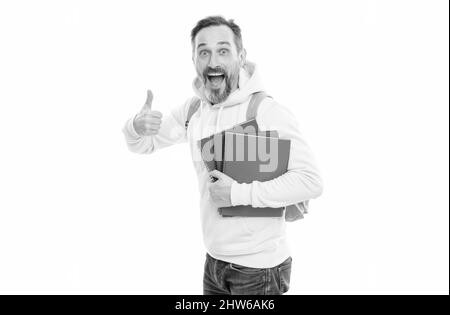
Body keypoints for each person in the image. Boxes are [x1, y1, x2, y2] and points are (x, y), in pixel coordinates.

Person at [122, 16, 323, 295]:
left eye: (223, 50)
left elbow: (311, 181)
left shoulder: (265, 111)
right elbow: (143, 145)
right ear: (194, 59)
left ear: (241, 57)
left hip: (260, 270)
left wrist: (237, 193)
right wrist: (135, 126)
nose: (213, 60)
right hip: (214, 263)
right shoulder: (194, 111)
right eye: (203, 51)